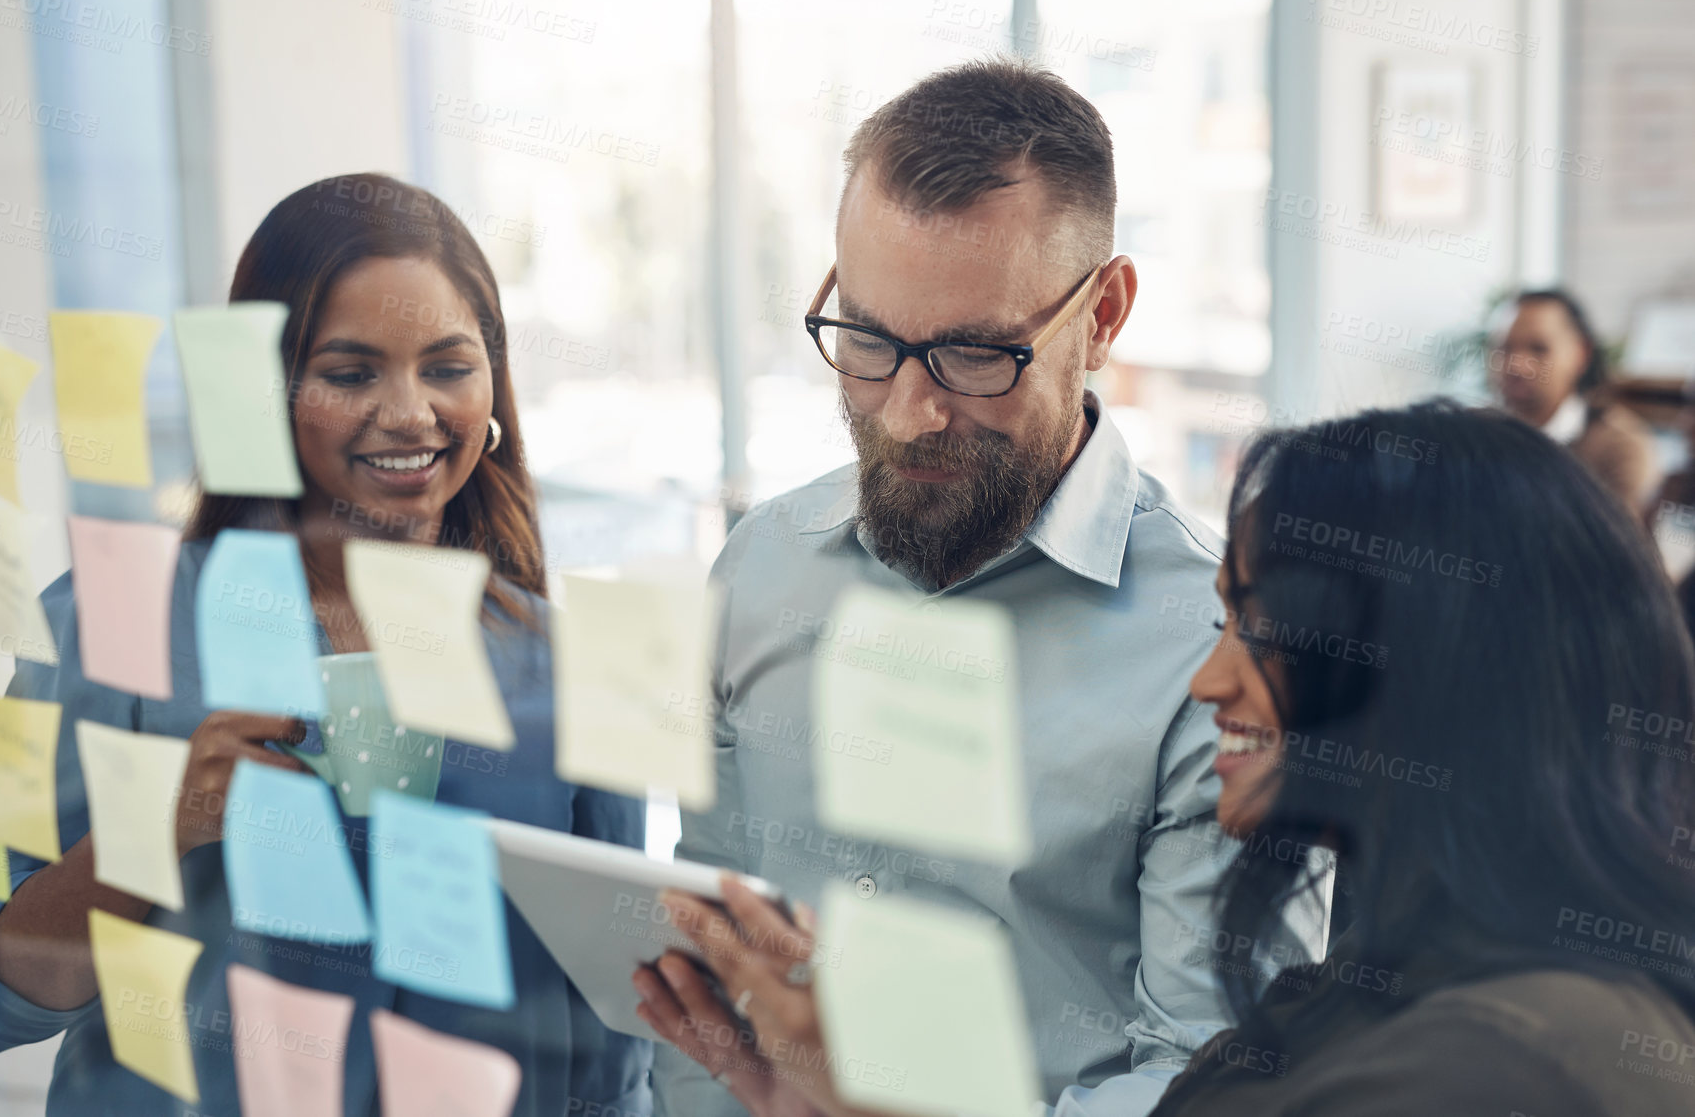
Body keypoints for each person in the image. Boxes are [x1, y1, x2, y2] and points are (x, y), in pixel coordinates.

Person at [637, 400, 1695, 1117]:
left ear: (1434, 664)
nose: (1210, 681)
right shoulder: (1375, 991)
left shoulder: (1508, 1057)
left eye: (1262, 631)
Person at [647, 59, 1328, 1117]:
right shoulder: (761, 567)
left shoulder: (1217, 653)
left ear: (1102, 316)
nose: (909, 411)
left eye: (974, 357)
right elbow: (705, 980)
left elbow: (1209, 1084)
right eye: (867, 340)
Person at [0, 174, 652, 1116]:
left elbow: (613, 1028)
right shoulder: (95, 625)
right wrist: (158, 826)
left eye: (448, 366)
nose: (411, 413)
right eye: (350, 371)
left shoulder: (567, 668)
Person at [1494, 287, 1660, 512]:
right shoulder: (1479, 434)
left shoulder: (1620, 449)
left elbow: (1618, 543)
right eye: (1505, 348)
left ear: (1581, 354)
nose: (1516, 366)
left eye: (1538, 349)